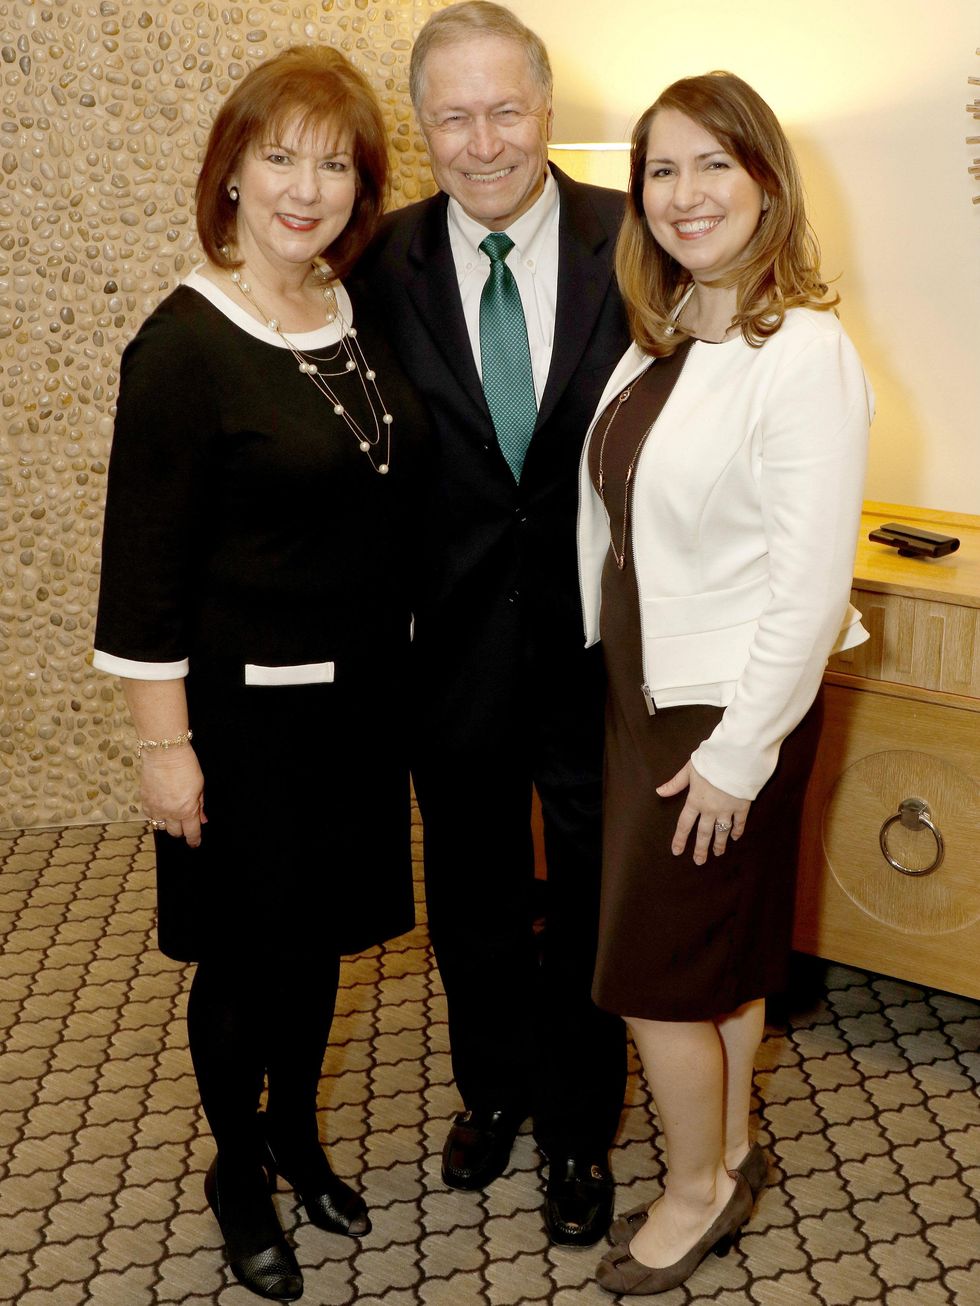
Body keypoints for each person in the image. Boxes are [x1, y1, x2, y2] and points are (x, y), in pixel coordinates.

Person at [93, 46, 428, 1303]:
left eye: (334, 162)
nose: (306, 186)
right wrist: (162, 748)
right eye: (278, 156)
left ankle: (297, 1132)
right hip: (238, 727)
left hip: (353, 711)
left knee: (318, 949)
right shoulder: (183, 345)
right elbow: (142, 572)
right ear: (229, 172)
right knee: (245, 963)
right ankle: (238, 1167)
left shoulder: (350, 312)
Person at [576, 72, 872, 1295]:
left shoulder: (800, 351)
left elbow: (807, 588)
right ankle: (734, 1147)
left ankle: (694, 1192)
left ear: (763, 183)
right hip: (647, 687)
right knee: (725, 954)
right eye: (660, 170)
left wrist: (739, 754)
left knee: (651, 976)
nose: (683, 193)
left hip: (722, 712)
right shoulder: (672, 334)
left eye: (713, 165)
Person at [355, 1, 629, 1246]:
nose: (481, 141)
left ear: (547, 109)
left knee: (585, 886)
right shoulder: (377, 262)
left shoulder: (636, 241)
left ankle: (579, 1122)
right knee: (468, 885)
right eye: (451, 116)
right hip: (448, 647)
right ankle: (493, 1090)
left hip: (603, 643)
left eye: (503, 109)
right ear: (421, 128)